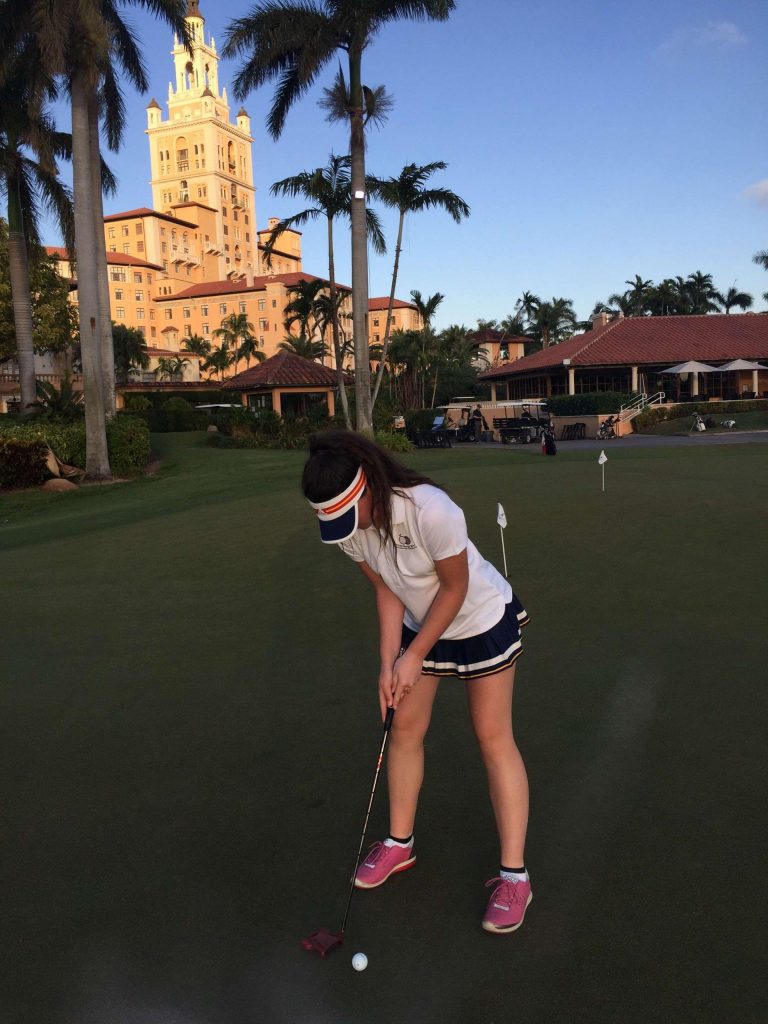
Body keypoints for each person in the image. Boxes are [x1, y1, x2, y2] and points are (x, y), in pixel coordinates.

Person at [302, 430, 532, 934]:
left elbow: (455, 588)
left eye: (345, 514)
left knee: (492, 737)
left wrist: (415, 656)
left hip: (476, 619)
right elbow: (387, 590)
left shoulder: (432, 510)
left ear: (367, 489)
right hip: (417, 623)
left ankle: (515, 877)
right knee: (403, 728)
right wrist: (388, 663)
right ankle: (399, 844)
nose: (343, 529)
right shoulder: (351, 531)